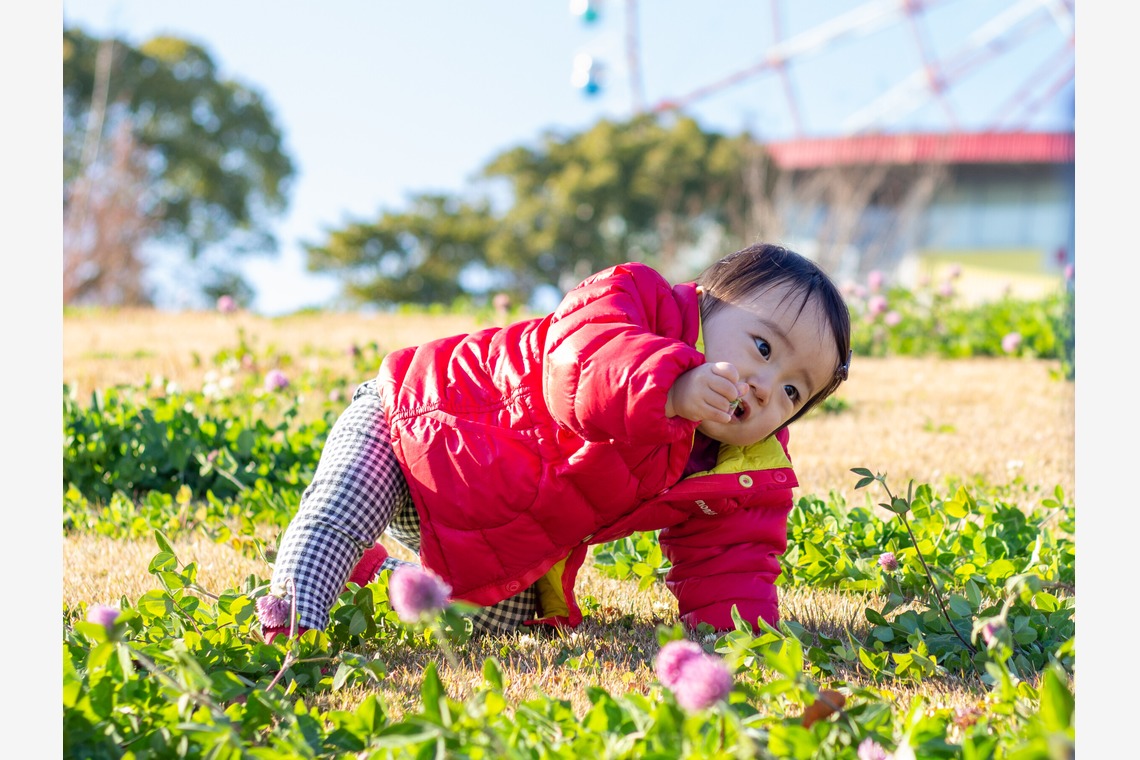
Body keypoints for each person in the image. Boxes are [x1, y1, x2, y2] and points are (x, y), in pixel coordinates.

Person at [258, 243, 852, 642]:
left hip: (490, 516)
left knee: (492, 619)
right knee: (341, 515)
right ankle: (288, 634)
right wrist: (670, 386)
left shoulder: (740, 471)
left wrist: (741, 643)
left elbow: (733, 559)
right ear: (704, 303)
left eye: (793, 391)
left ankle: (375, 574)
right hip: (411, 421)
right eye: (763, 348)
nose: (765, 386)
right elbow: (581, 369)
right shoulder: (633, 301)